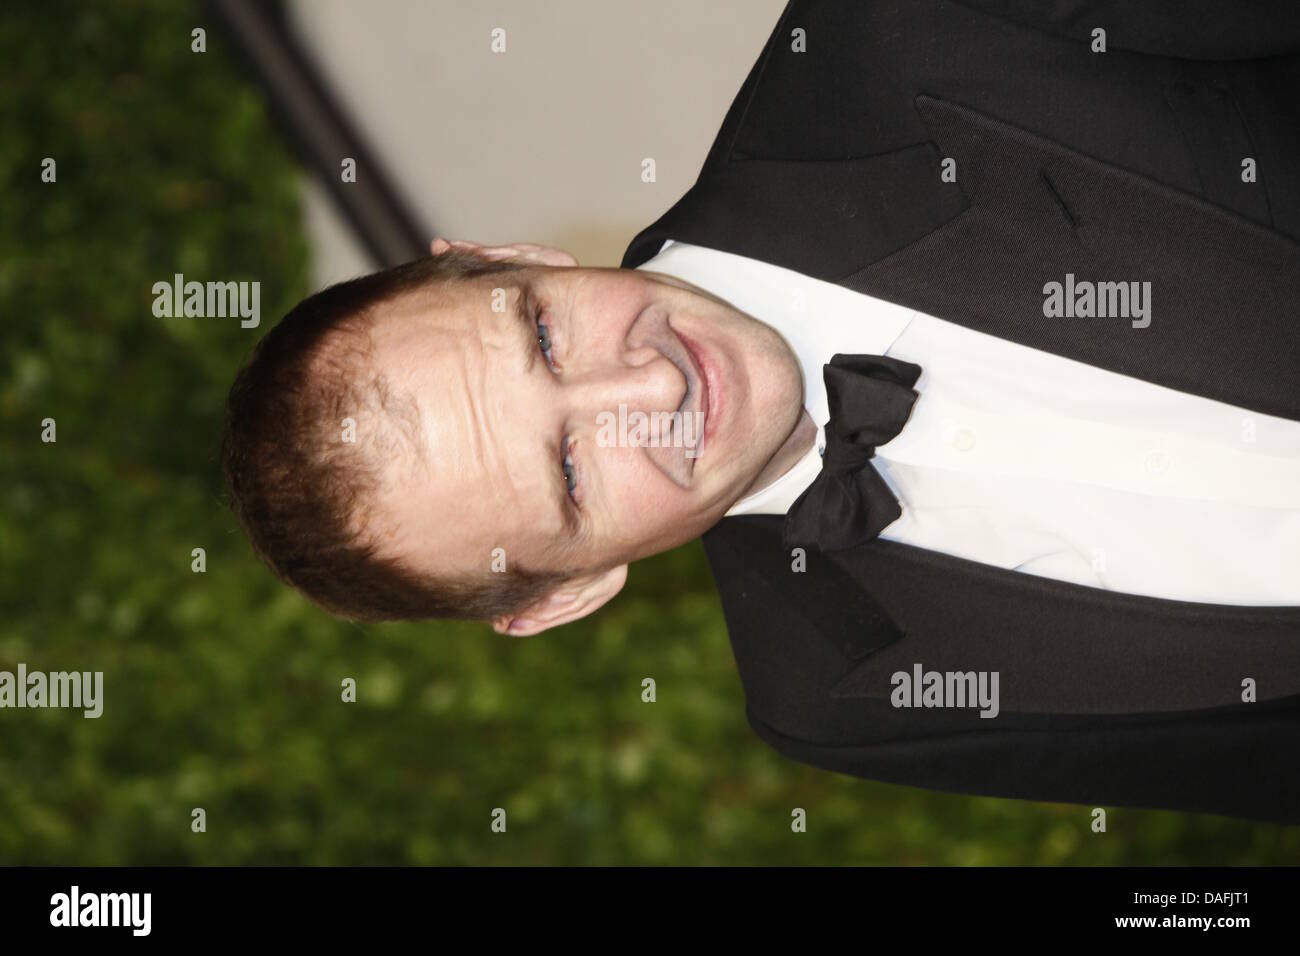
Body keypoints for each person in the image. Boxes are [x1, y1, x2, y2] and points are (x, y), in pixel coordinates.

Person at [222, 0, 1300, 822]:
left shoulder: (897, 35)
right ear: (566, 595)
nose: (646, 386)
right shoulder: (835, 703)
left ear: (511, 256)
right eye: (569, 472)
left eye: (543, 335)